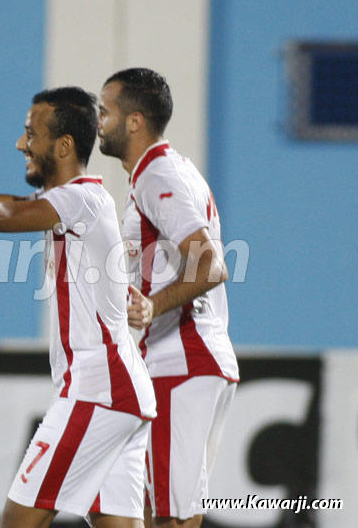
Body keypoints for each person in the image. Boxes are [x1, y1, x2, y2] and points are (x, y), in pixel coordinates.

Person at [0, 87, 156, 528]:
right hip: (121, 394)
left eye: (31, 134)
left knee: (19, 521)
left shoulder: (79, 198)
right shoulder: (81, 204)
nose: (21, 144)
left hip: (98, 393)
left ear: (64, 146)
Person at [97, 68, 239, 528]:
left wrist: (153, 306)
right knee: (148, 506)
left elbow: (211, 265)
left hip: (180, 360)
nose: (99, 121)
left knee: (171, 517)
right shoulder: (164, 171)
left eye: (106, 111)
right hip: (186, 360)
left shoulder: (158, 174)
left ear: (134, 121)